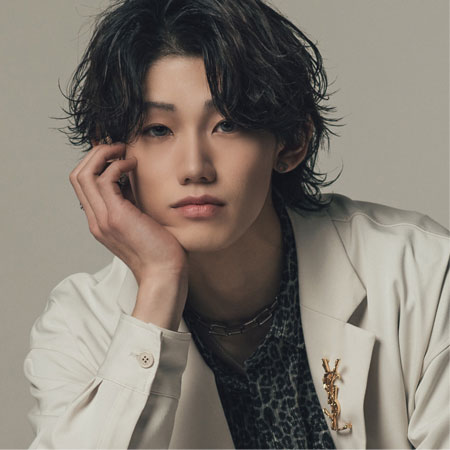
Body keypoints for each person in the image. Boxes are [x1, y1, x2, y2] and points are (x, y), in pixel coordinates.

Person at [24, 0, 449, 448]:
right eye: (158, 130)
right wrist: (160, 286)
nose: (195, 167)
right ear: (108, 155)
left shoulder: (421, 275)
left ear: (291, 142)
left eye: (227, 125)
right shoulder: (77, 327)